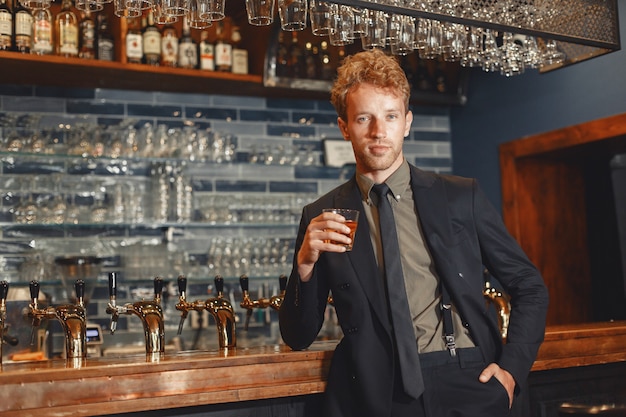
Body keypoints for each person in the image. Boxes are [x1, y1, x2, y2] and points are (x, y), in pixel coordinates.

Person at [278, 48, 549, 417]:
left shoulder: (459, 196)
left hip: (470, 380)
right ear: (344, 127)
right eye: (363, 118)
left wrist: (512, 371)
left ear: (406, 122)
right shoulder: (322, 216)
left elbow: (529, 285)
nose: (378, 132)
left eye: (390, 116)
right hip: (378, 393)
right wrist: (305, 266)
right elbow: (298, 336)